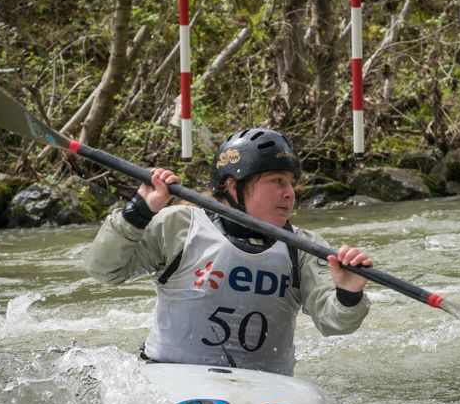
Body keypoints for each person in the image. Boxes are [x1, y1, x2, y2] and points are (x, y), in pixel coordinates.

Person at [85, 128, 372, 376]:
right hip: (173, 376)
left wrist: (348, 294)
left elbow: (334, 323)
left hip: (266, 388)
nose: (289, 193)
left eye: (291, 183)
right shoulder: (180, 227)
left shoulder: (304, 248)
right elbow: (105, 270)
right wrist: (137, 212)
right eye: (277, 181)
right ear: (234, 186)